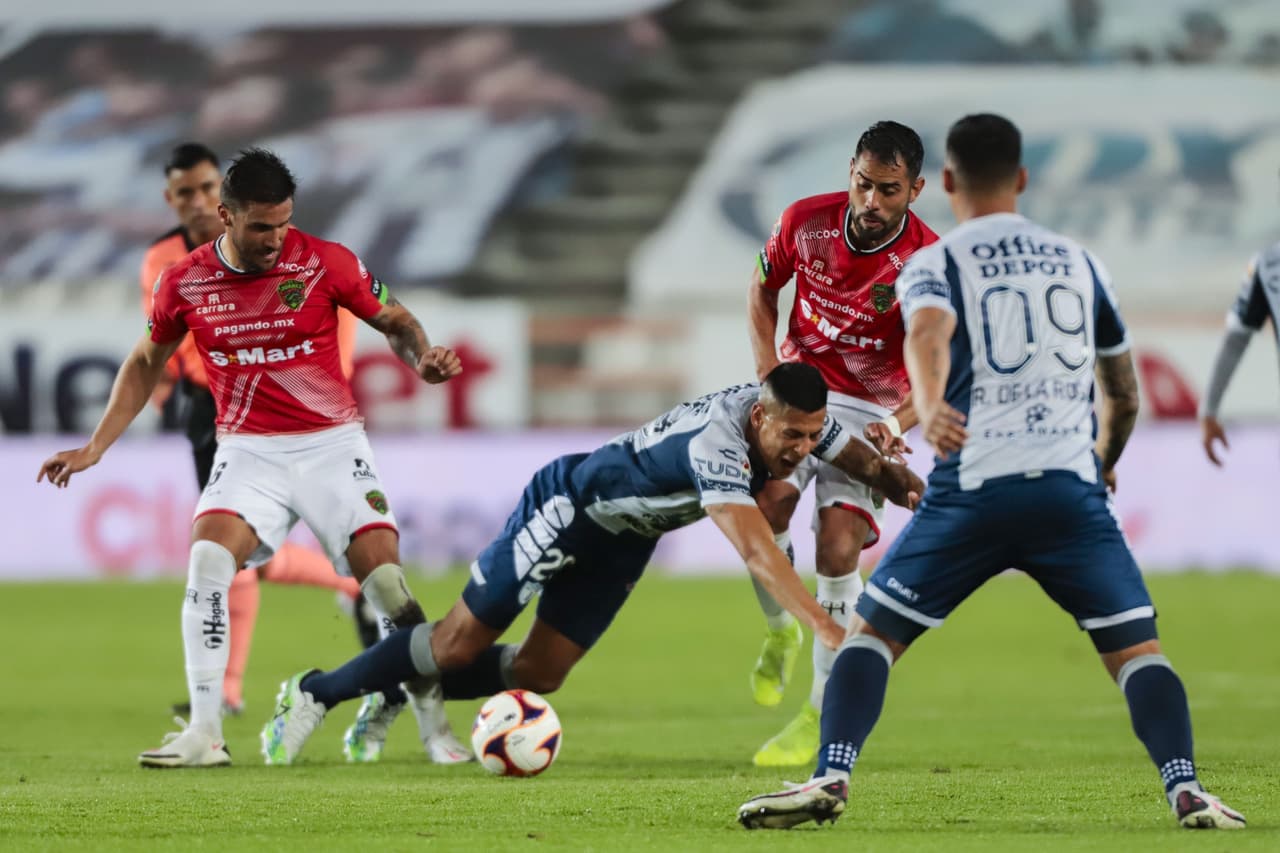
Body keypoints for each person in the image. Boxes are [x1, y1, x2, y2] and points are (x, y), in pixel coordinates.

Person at [737, 114, 1246, 831]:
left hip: (973, 489)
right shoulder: (1080, 260)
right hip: (1069, 493)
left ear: (939, 184)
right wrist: (1102, 463)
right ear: (1025, 179)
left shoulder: (934, 263)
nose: (874, 200)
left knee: (870, 637)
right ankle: (1186, 786)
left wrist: (927, 406)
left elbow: (925, 337)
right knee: (1137, 651)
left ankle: (831, 772)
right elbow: (1124, 395)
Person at [254, 364, 926, 766]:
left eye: (812, 435)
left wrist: (896, 481)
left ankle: (396, 683)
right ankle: (314, 690)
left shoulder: (798, 418)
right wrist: (823, 624)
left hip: (623, 540)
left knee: (542, 672)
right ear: (759, 416)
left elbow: (855, 457)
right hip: (569, 504)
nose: (801, 448)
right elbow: (754, 548)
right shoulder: (717, 447)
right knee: (457, 643)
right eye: (791, 436)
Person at [38, 147, 470, 768]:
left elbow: (396, 321)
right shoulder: (184, 281)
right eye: (262, 226)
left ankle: (435, 731)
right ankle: (206, 733)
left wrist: (422, 357)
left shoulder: (326, 262)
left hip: (331, 446)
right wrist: (95, 447)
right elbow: (143, 363)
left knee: (388, 587)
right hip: (247, 451)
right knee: (208, 560)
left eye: (284, 223)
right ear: (227, 216)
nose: (275, 240)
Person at [142, 142, 378, 720]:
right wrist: (163, 384)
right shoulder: (165, 264)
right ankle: (345, 589)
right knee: (230, 554)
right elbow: (160, 338)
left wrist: (322, 394)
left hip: (293, 416)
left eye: (204, 188)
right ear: (171, 200)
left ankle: (224, 693)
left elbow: (333, 321)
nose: (196, 203)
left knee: (229, 555)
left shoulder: (289, 255)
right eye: (184, 194)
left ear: (221, 198)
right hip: (213, 410)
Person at [745, 121, 938, 767]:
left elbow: (943, 364)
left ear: (916, 188)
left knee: (836, 549)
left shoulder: (926, 263)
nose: (872, 203)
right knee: (765, 507)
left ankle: (819, 710)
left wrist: (900, 421)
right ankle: (780, 631)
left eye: (889, 190)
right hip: (800, 387)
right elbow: (763, 288)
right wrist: (768, 373)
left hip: (872, 410)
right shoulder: (804, 221)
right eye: (863, 184)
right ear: (849, 171)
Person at [1198, 234, 1280, 466]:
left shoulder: (1269, 262)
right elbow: (1236, 338)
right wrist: (1209, 410)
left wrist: (1208, 411)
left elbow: (1236, 339)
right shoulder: (1268, 263)